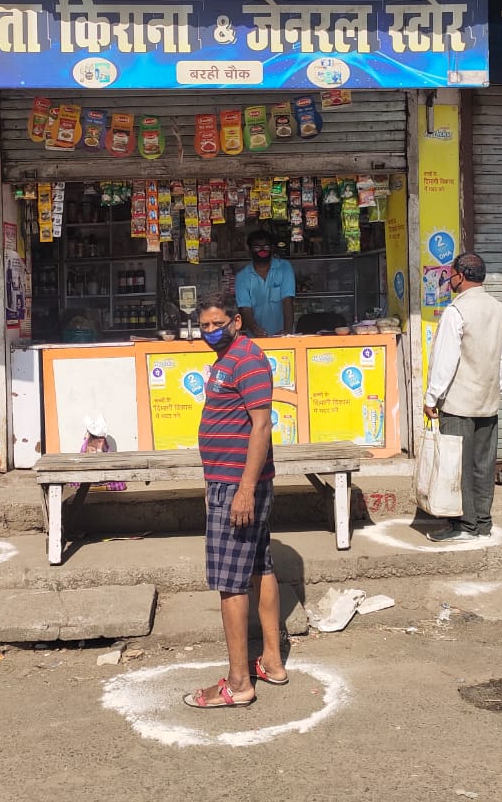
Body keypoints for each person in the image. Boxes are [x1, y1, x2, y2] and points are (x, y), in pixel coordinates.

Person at [184, 291, 288, 709]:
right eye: (204, 326)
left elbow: (261, 427)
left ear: (236, 322)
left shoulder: (246, 358)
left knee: (230, 584)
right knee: (260, 566)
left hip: (237, 485)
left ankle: (239, 682)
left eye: (217, 324)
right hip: (229, 482)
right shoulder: (226, 359)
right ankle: (273, 663)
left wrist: (243, 489)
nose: (210, 331)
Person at [422, 253, 502, 541]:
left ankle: (465, 525)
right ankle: (482, 523)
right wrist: (496, 389)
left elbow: (445, 360)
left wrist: (432, 397)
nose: (450, 280)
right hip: (487, 401)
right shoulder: (499, 309)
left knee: (457, 463)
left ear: (460, 275)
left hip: (459, 402)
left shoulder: (456, 311)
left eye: (451, 274)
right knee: (483, 465)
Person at [234, 229, 296, 337]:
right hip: (256, 339)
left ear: (272, 248)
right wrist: (255, 329)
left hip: (283, 336)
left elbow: (288, 302)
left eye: (266, 246)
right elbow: (245, 309)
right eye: (257, 247)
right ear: (249, 250)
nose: (262, 250)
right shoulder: (242, 277)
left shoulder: (284, 267)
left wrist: (287, 333)